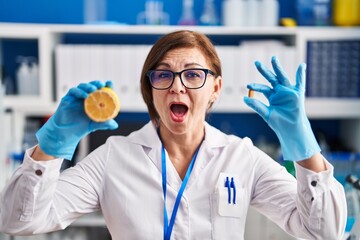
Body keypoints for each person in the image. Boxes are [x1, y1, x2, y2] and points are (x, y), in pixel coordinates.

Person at [0, 30, 346, 239]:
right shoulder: (112, 158)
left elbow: (324, 231)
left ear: (215, 89)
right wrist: (51, 145)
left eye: (193, 75)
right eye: (163, 76)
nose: (177, 86)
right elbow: (18, 221)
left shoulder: (242, 157)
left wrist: (305, 146)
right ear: (150, 91)